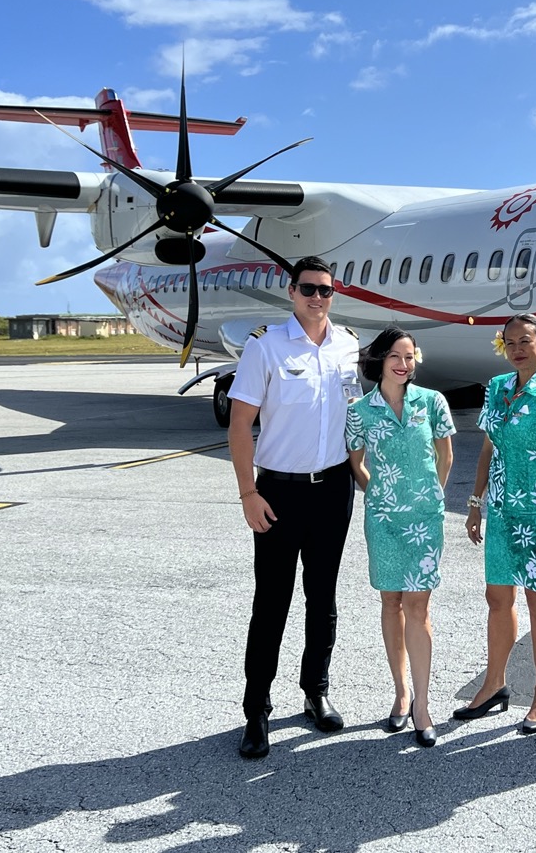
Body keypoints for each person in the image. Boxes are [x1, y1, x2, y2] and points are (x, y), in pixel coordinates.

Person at [227, 255, 363, 760]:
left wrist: (364, 475)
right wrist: (248, 493)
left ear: (334, 294)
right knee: (271, 603)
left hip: (333, 490)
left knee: (322, 599)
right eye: (308, 288)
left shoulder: (348, 346)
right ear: (291, 291)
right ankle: (256, 709)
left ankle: (315, 691)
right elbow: (241, 424)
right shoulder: (265, 346)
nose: (316, 297)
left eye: (325, 290)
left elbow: (357, 419)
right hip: (278, 493)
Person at [458, 313, 536, 734]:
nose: (518, 348)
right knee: (497, 599)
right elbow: (488, 448)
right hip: (503, 513)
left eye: (526, 340)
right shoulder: (496, 388)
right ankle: (494, 684)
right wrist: (475, 502)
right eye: (510, 342)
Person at [346, 327, 455, 748]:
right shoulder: (361, 411)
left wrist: (434, 494)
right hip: (384, 519)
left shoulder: (432, 402)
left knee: (418, 605)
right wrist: (376, 489)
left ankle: (423, 705)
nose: (403, 364)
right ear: (380, 360)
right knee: (390, 601)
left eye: (409, 357)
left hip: (425, 518)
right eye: (395, 355)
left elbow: (445, 453)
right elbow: (355, 460)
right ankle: (401, 692)